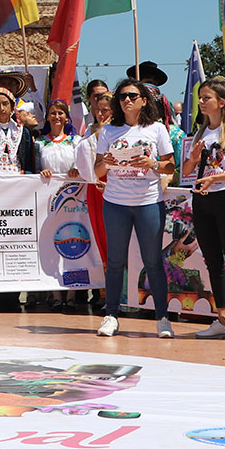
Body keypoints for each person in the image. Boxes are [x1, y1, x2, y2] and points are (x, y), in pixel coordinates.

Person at [80, 76, 175, 338]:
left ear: (144, 100)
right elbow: (98, 170)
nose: (127, 100)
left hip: (148, 202)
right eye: (122, 96)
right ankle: (111, 315)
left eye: (133, 96)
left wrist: (153, 164)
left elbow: (170, 166)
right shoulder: (109, 131)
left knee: (153, 261)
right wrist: (108, 162)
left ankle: (163, 318)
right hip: (116, 203)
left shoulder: (156, 129)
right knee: (115, 261)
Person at [180, 77, 225, 343]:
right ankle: (223, 318)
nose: (201, 102)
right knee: (212, 261)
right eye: (200, 97)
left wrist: (216, 178)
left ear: (221, 102)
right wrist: (193, 158)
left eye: (206, 97)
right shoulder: (201, 132)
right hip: (203, 199)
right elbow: (187, 172)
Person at [36, 100, 79, 179]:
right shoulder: (39, 142)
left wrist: (76, 170)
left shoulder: (76, 141)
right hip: (46, 186)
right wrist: (42, 172)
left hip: (72, 187)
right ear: (48, 117)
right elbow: (35, 168)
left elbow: (81, 163)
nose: (56, 116)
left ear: (66, 118)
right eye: (53, 113)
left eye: (60, 113)